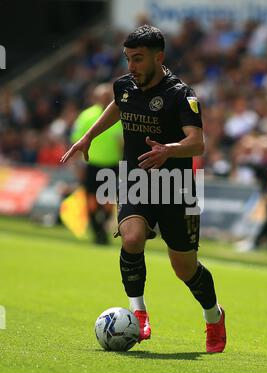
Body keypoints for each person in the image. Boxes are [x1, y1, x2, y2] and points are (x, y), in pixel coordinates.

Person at [61, 25, 226, 353]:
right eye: (128, 59)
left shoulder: (181, 94)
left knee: (184, 267)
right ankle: (139, 312)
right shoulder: (124, 85)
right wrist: (88, 136)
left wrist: (168, 149)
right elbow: (118, 105)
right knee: (133, 238)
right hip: (136, 180)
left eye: (138, 59)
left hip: (176, 188)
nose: (131, 66)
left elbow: (198, 144)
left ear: (158, 57)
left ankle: (213, 315)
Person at [71, 83, 123, 244]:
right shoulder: (86, 116)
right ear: (96, 98)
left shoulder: (119, 116)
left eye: (109, 96)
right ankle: (97, 229)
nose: (106, 99)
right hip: (91, 165)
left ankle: (102, 225)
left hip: (112, 165)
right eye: (103, 96)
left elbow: (123, 143)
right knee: (91, 199)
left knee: (108, 200)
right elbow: (76, 140)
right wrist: (77, 166)